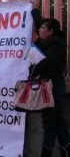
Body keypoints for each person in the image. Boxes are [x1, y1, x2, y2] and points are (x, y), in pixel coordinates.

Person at [31, 8, 70, 157]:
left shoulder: (56, 45)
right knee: (57, 119)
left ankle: (46, 151)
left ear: (50, 31)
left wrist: (32, 65)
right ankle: (66, 148)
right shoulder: (46, 41)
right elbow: (39, 25)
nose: (39, 30)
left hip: (53, 86)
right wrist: (34, 10)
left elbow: (49, 62)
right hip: (48, 85)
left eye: (43, 28)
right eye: (39, 28)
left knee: (49, 120)